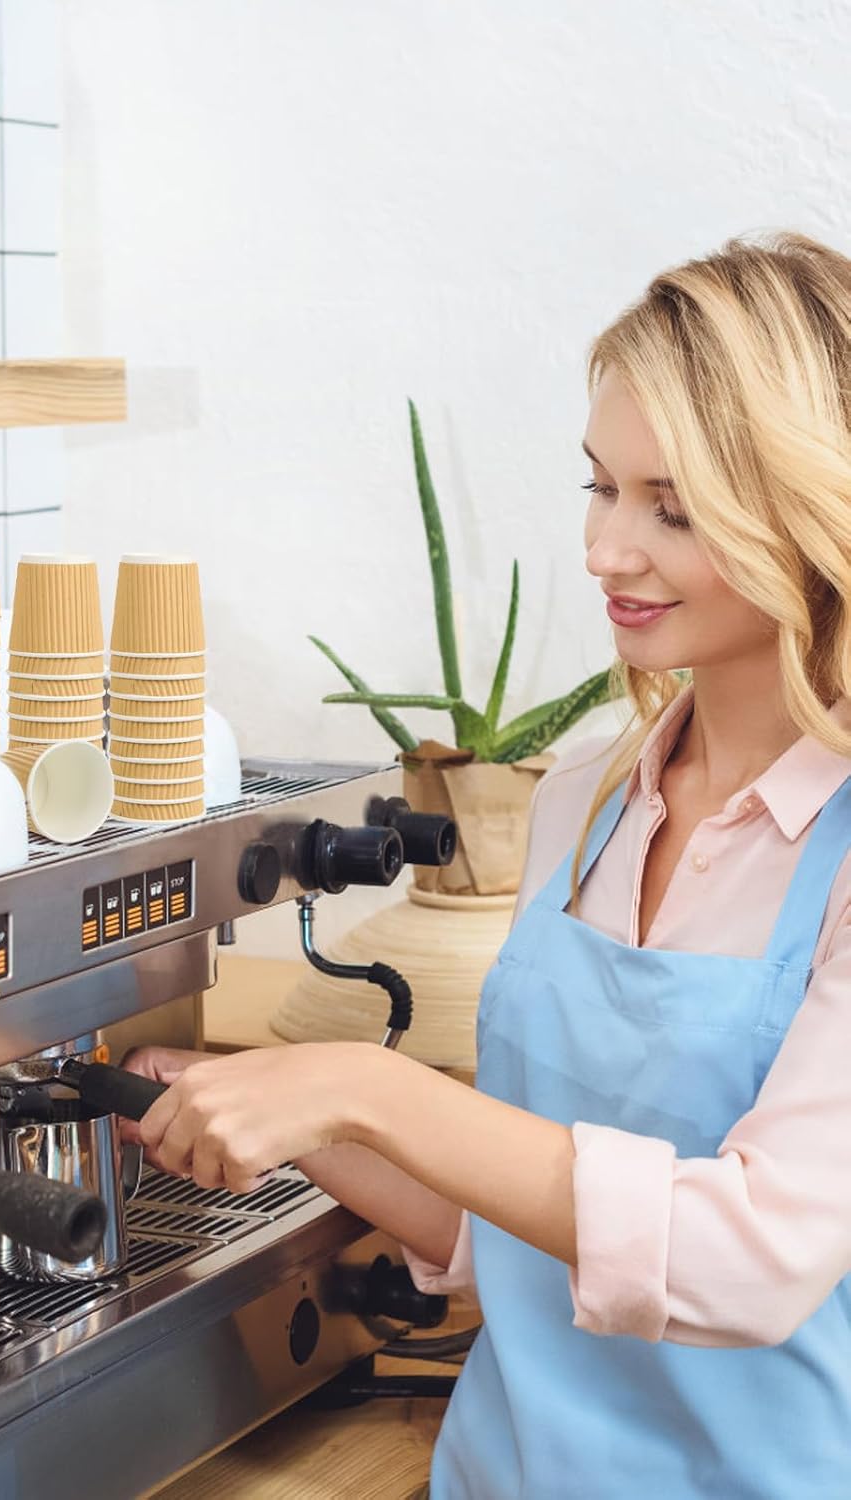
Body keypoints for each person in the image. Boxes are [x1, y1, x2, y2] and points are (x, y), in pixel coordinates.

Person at [123, 232, 851, 1498]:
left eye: (672, 507)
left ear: (811, 510)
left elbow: (748, 1262)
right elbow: (519, 1233)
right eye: (600, 487)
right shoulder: (584, 802)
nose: (606, 550)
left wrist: (365, 1087)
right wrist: (275, 1106)